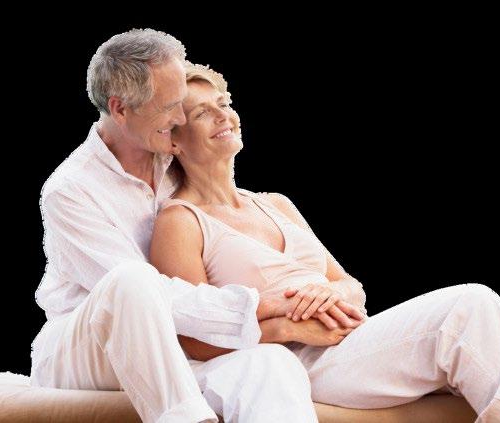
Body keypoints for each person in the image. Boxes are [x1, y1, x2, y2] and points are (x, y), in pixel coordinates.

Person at [149, 62, 500, 423]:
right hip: (302, 361)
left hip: (351, 341)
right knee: (471, 304)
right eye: (203, 113)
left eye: (224, 103)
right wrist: (286, 327)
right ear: (174, 142)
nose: (224, 116)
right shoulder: (181, 220)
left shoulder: (276, 204)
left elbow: (350, 284)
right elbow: (193, 339)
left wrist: (329, 293)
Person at [30, 29, 320, 423]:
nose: (181, 118)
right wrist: (267, 308)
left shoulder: (175, 161)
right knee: (132, 279)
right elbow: (148, 298)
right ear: (120, 109)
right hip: (86, 347)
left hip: (174, 343)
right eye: (169, 106)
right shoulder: (70, 190)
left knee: (268, 363)